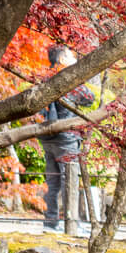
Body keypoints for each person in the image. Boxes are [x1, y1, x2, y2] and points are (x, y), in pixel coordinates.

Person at [41, 44, 92, 232]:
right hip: (67, 138)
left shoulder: (44, 79)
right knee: (69, 180)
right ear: (62, 60)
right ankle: (72, 224)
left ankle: (50, 223)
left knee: (52, 182)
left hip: (47, 137)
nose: (75, 59)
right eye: (71, 56)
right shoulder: (69, 81)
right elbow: (90, 97)